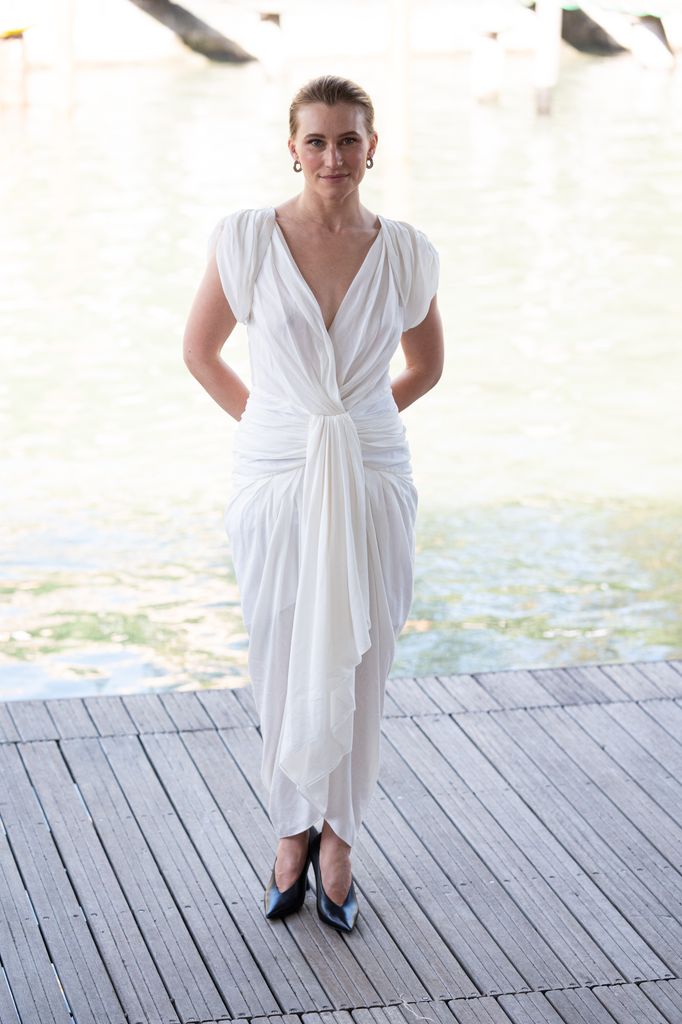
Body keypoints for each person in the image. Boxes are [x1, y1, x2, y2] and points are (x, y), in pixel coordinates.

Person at [182, 74, 444, 933]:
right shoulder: (246, 239)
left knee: (363, 661)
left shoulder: (406, 251)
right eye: (318, 140)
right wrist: (285, 430)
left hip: (371, 472)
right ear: (291, 148)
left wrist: (355, 428)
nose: (334, 156)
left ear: (375, 147)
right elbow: (202, 353)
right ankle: (289, 829)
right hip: (276, 472)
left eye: (349, 139)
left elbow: (426, 367)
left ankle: (340, 839)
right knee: (283, 649)